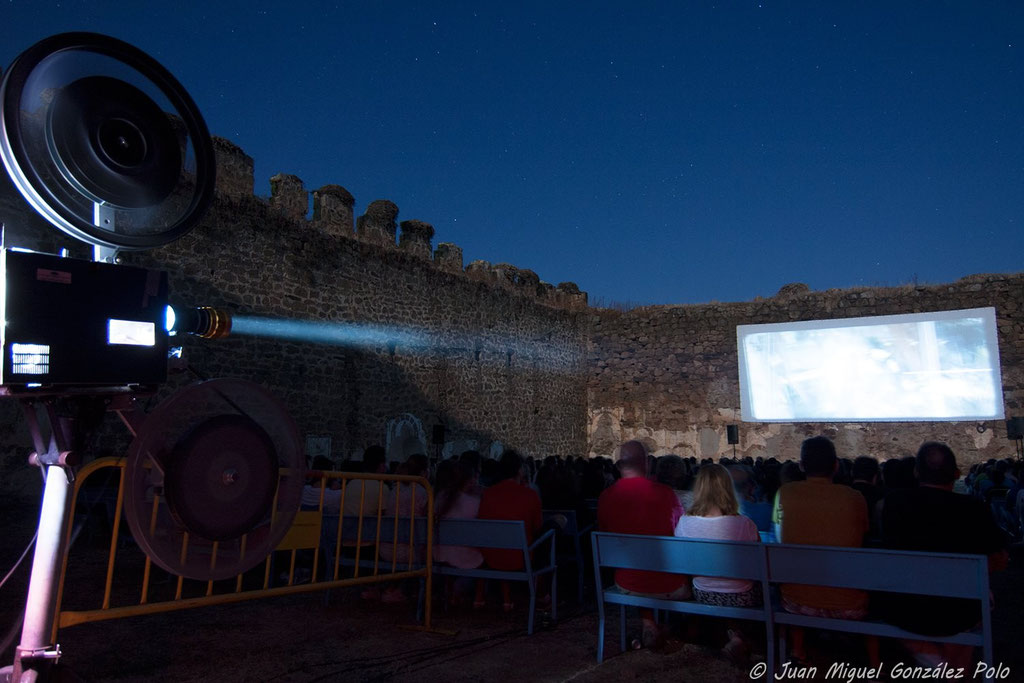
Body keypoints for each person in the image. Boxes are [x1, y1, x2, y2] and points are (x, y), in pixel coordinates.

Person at [880, 441, 1008, 668]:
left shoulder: (894, 503)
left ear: (917, 472)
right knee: (970, 597)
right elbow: (998, 560)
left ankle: (939, 665)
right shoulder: (974, 507)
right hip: (960, 613)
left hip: (904, 610)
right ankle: (952, 671)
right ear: (957, 473)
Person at [773, 436, 870, 664]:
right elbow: (864, 535)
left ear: (801, 465)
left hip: (796, 601)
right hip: (849, 605)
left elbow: (779, 536)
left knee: (798, 572)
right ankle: (872, 663)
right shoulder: (854, 498)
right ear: (836, 466)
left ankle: (797, 650)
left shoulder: (784, 494)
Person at [597, 440, 687, 649]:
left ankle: (648, 622)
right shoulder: (666, 494)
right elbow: (680, 535)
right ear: (647, 464)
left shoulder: (606, 497)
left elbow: (605, 535)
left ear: (619, 465)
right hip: (670, 584)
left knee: (637, 568)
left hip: (627, 584)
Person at [674, 464, 760, 660]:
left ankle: (710, 630)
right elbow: (757, 563)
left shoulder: (685, 522)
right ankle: (736, 634)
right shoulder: (744, 523)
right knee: (742, 586)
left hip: (702, 592)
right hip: (741, 596)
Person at [477, 449, 544, 610]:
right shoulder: (529, 495)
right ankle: (542, 594)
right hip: (520, 557)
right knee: (546, 541)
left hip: (490, 555)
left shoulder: (488, 494)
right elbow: (538, 527)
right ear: (520, 470)